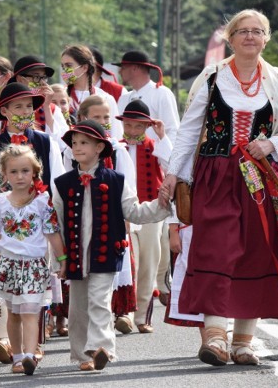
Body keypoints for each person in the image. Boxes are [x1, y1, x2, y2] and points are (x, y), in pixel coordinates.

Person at [160, 9, 278, 367]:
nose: (250, 37)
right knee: (216, 249)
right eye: (242, 31)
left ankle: (243, 340)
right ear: (230, 38)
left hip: (260, 179)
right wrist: (173, 174)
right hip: (215, 175)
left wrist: (272, 144)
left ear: (266, 39)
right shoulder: (211, 76)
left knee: (255, 250)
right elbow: (189, 130)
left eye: (257, 31)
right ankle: (215, 334)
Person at [52, 120, 171, 371]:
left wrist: (162, 205)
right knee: (77, 309)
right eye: (74, 143)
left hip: (105, 253)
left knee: (99, 300)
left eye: (84, 142)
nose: (77, 147)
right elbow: (57, 226)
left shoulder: (116, 180)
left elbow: (134, 212)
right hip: (75, 256)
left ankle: (100, 348)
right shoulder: (62, 184)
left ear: (99, 148)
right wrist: (58, 261)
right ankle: (82, 356)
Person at [0, 82, 65, 364]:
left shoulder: (45, 141)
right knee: (8, 295)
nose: (24, 112)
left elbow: (56, 183)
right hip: (3, 225)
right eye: (18, 107)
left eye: (29, 106)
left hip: (37, 226)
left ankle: (33, 346)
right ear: (4, 111)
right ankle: (7, 342)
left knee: (35, 295)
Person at [0, 144, 66, 375]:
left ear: (34, 172)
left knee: (30, 311)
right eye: (14, 172)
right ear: (5, 175)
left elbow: (52, 233)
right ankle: (17, 356)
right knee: (14, 314)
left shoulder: (42, 200)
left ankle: (29, 355)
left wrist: (62, 258)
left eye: (25, 171)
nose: (20, 176)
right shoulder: (0, 201)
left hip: (33, 265)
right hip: (8, 265)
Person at [114, 99, 172, 334]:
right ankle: (125, 313)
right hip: (124, 212)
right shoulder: (116, 148)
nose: (133, 131)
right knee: (130, 263)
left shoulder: (156, 146)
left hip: (150, 213)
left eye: (139, 126)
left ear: (147, 126)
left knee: (149, 263)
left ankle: (142, 317)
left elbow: (171, 167)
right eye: (129, 125)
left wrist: (162, 136)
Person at [60, 44, 123, 141]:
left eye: (68, 65)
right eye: (63, 66)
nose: (64, 70)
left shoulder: (105, 98)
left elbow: (116, 136)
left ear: (84, 68)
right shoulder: (60, 97)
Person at [115, 50, 180, 143]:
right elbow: (118, 131)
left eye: (123, 67)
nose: (120, 71)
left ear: (134, 68)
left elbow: (173, 130)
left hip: (155, 155)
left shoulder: (162, 93)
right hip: (127, 155)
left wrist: (168, 156)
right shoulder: (124, 98)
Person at [165, 217, 206, 345]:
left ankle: (239, 342)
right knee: (201, 281)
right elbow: (175, 200)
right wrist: (173, 231)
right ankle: (208, 341)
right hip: (192, 225)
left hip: (226, 223)